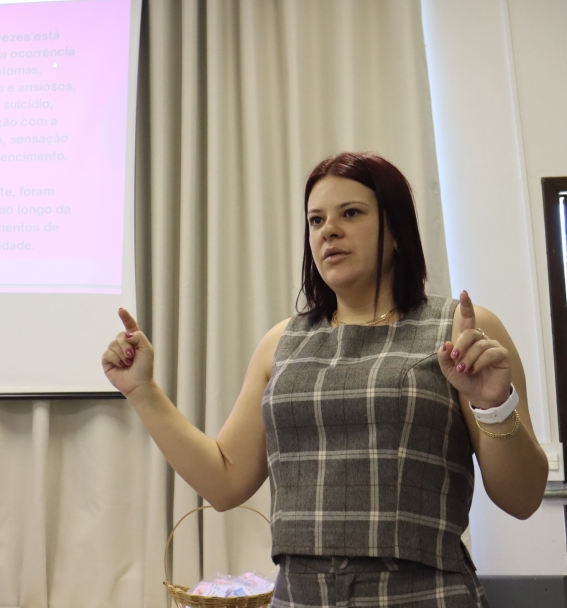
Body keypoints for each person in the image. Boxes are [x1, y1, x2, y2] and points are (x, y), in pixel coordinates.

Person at [102, 152, 548, 607]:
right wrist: (143, 391)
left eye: (350, 213)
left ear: (396, 230)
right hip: (300, 596)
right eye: (315, 220)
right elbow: (224, 482)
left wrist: (494, 405)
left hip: (425, 594)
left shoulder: (462, 330)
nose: (328, 230)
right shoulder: (282, 343)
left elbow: (523, 498)